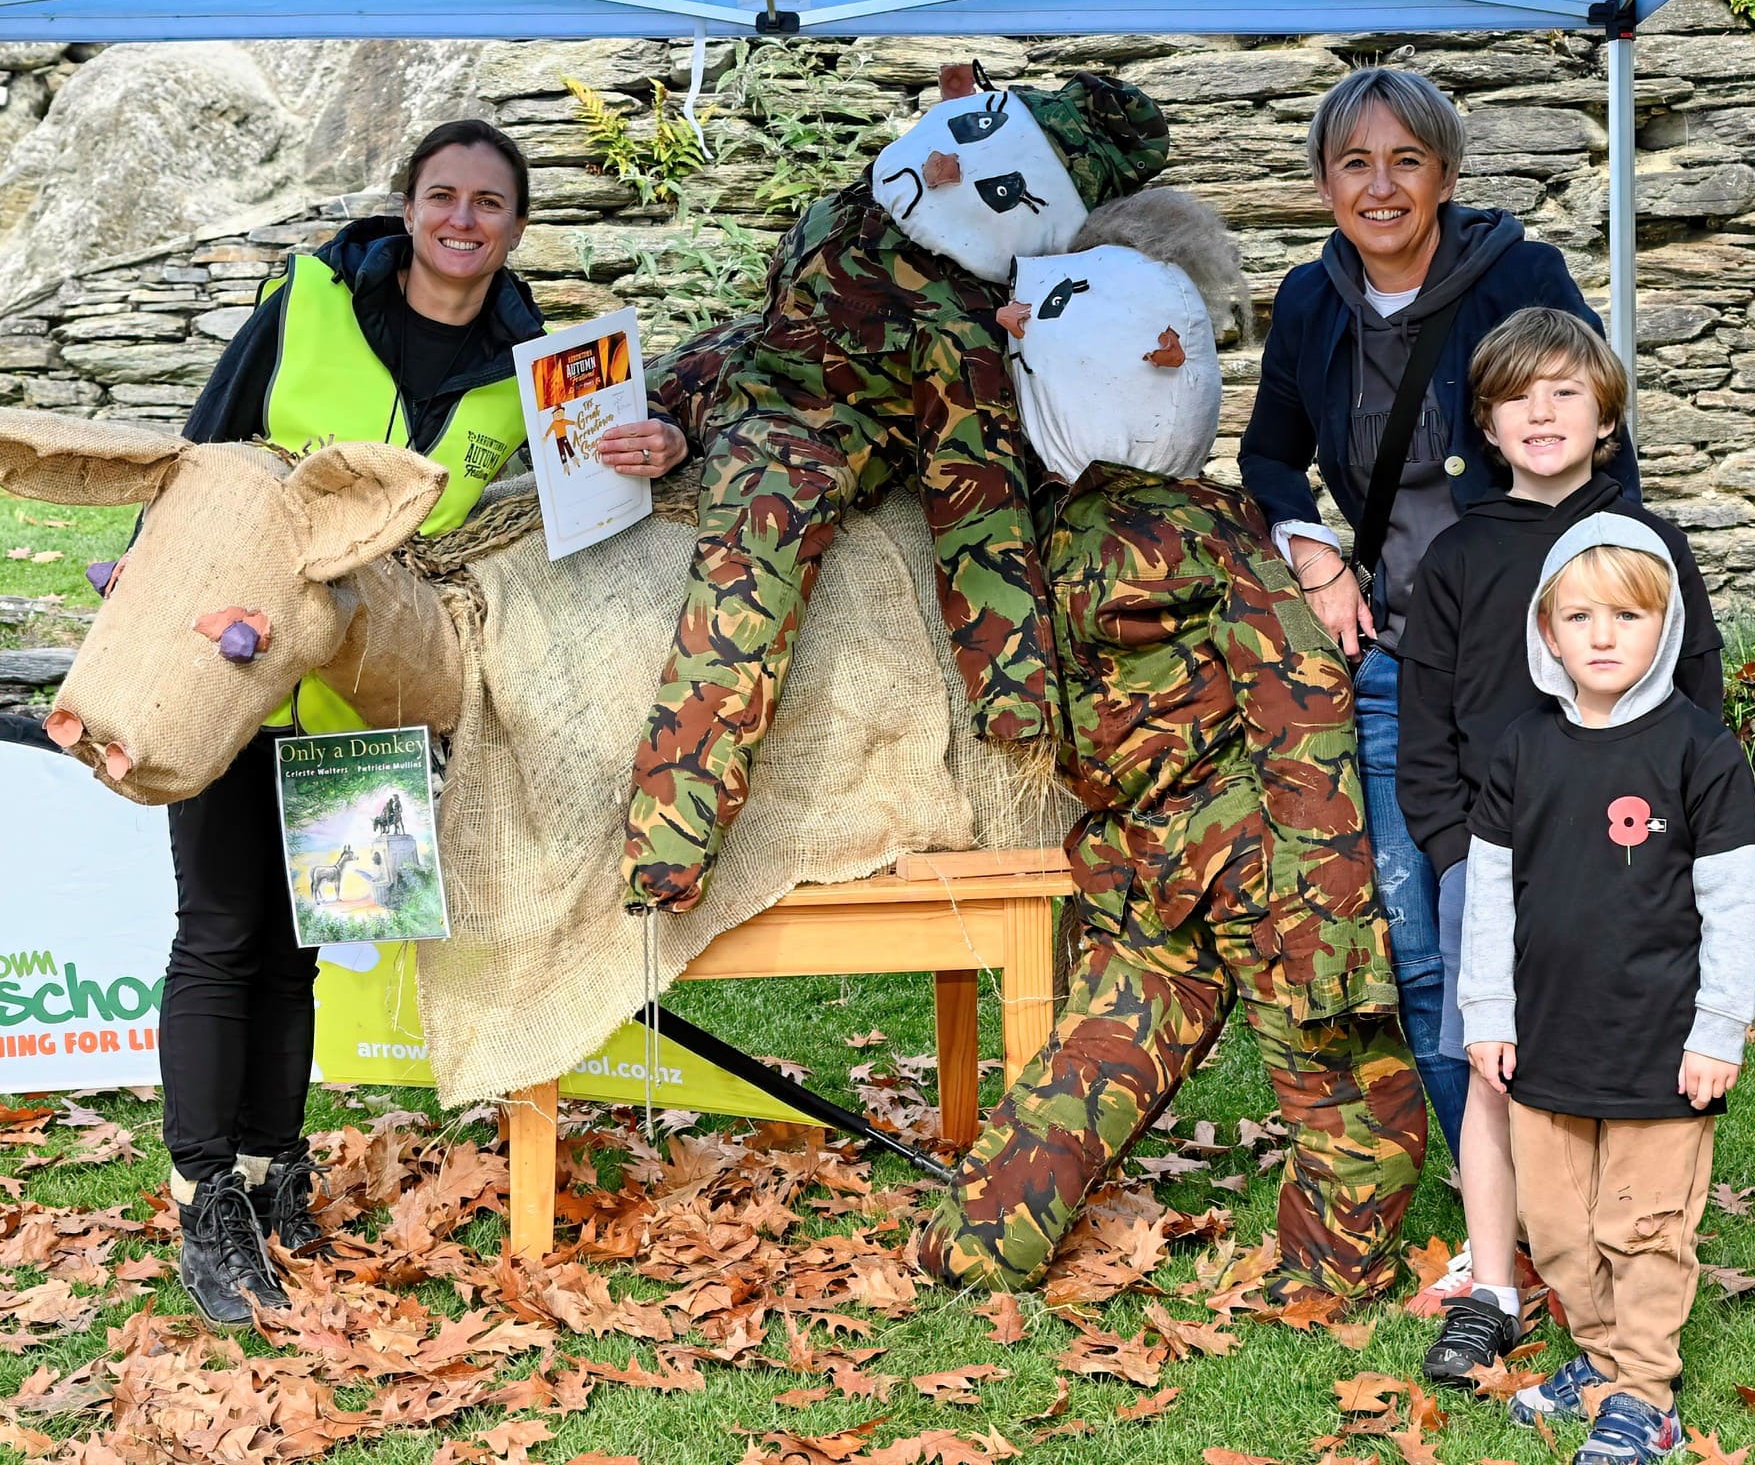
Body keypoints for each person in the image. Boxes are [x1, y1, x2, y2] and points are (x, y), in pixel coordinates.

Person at [916, 204, 1424, 1304]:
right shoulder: (1212, 531)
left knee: (1106, 1050)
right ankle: (1326, 1283)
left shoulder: (1031, 542)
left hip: (1142, 852)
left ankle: (977, 1243)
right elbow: (1300, 700)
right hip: (1259, 864)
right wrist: (1332, 912)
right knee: (1356, 1094)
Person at [148, 120, 595, 1329]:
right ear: (406, 208)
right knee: (225, 927)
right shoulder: (305, 302)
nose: (463, 219)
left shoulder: (544, 368)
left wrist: (647, 449)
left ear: (515, 226)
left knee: (307, 942)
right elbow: (203, 449)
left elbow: (589, 504)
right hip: (236, 659)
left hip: (380, 693)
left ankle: (267, 1165)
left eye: (488, 202)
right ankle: (204, 1199)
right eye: (441, 195)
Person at [619, 64, 1169, 916]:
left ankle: (666, 852)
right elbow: (972, 503)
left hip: (782, 399)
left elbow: (971, 495)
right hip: (767, 391)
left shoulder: (914, 259)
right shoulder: (927, 265)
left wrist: (1021, 711)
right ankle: (667, 853)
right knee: (689, 523)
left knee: (739, 586)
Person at [1237, 67, 1642, 1162]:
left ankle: (1579, 1177)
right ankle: (1490, 1200)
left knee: (1541, 933)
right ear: (1323, 182)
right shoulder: (1310, 300)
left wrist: (1601, 655)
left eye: (1405, 161)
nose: (1380, 187)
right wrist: (1311, 549)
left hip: (1522, 668)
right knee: (1416, 943)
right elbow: (1268, 456)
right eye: (1355, 163)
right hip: (1389, 668)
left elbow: (1607, 460)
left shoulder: (1521, 275)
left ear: (1447, 175)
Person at [1395, 309, 1723, 1380]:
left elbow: (1700, 709)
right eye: (1518, 395)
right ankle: (1495, 1284)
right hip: (1493, 861)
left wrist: (1677, 846)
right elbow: (1428, 726)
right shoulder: (1457, 556)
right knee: (1492, 1069)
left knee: (1621, 1063)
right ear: (1485, 424)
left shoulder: (1651, 548)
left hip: (1629, 867)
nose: (1543, 412)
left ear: (1606, 416)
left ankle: (1627, 1271)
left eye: (1567, 392)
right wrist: (1452, 853)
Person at [1458, 516, 1755, 1464]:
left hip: (1660, 1047)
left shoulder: (1699, 754)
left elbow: (1733, 903)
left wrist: (1718, 1029)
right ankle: (1595, 1358)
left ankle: (1645, 1391)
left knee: (1643, 1226)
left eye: (1625, 616)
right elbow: (1488, 895)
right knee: (1556, 1230)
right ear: (1546, 631)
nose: (1601, 636)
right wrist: (1487, 1011)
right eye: (1579, 616)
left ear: (1663, 625)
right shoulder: (1521, 751)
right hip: (1545, 1043)